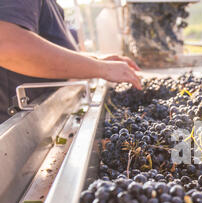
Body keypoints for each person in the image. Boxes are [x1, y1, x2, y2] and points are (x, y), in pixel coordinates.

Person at [0, 0, 142, 124]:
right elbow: (6, 45)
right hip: (17, 134)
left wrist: (94, 60)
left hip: (44, 119)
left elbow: (47, 47)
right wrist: (102, 68)